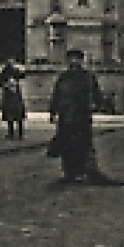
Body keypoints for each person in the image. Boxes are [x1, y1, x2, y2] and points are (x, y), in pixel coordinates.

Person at [48, 48, 105, 183]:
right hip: (65, 116)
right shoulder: (63, 77)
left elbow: (96, 94)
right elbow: (56, 95)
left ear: (81, 61)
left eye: (76, 59)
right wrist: (53, 112)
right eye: (71, 59)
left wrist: (98, 105)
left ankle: (83, 171)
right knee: (66, 146)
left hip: (81, 116)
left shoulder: (87, 77)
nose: (73, 61)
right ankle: (69, 172)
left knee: (82, 144)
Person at [0, 58, 28, 140]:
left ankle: (14, 134)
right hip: (12, 95)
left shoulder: (7, 71)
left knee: (14, 115)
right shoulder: (11, 71)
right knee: (15, 115)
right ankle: (17, 134)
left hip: (11, 95)